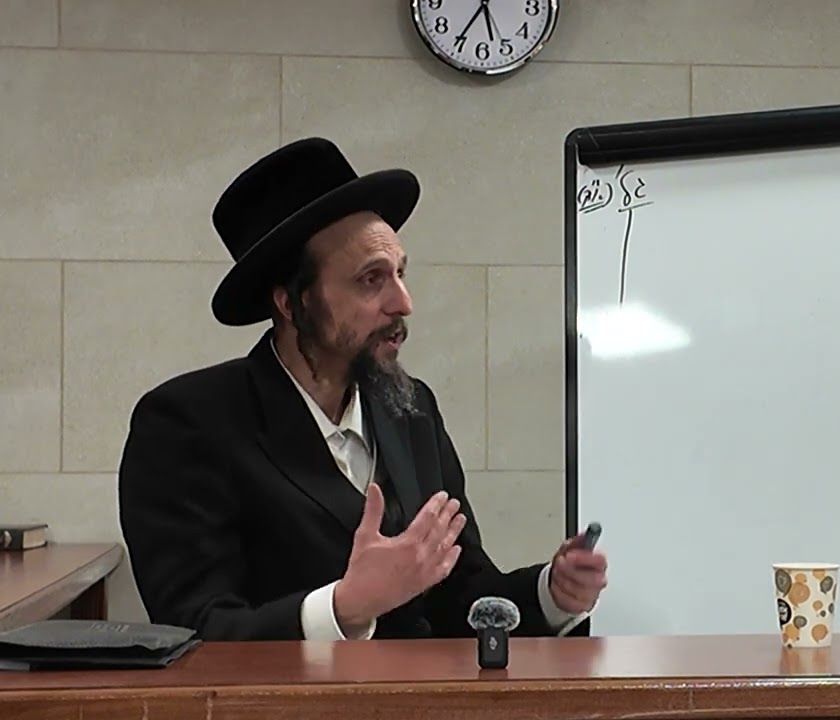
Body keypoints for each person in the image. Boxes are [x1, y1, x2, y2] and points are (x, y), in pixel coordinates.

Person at [117, 137, 608, 641]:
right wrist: (344, 608)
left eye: (400, 273)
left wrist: (551, 595)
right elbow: (197, 633)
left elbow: (458, 593)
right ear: (292, 303)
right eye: (371, 279)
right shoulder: (187, 425)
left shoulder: (412, 410)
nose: (403, 303)